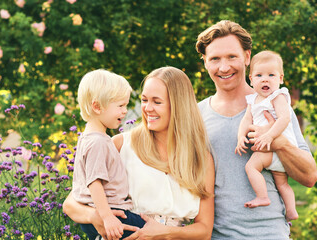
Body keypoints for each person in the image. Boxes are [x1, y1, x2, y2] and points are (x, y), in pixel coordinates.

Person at [196, 20, 317, 239]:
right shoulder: (196, 115)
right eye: (215, 59)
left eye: (232, 57)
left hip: (271, 233)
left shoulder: (273, 105)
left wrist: (277, 140)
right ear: (205, 61)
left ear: (247, 57)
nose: (224, 67)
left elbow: (310, 176)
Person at [63, 66, 215, 240]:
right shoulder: (120, 144)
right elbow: (71, 203)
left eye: (157, 102)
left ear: (179, 106)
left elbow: (204, 230)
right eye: (144, 100)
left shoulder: (201, 159)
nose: (147, 108)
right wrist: (96, 216)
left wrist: (165, 233)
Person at [72, 69, 145, 240]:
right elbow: (94, 182)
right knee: (154, 233)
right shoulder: (97, 142)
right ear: (97, 106)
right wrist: (107, 218)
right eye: (120, 106)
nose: (125, 111)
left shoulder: (89, 138)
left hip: (104, 213)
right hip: (112, 213)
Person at [235, 50, 298, 221]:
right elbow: (246, 120)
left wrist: (270, 136)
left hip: (276, 148)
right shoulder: (253, 100)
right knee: (282, 184)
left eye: (271, 75)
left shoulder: (278, 96)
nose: (265, 79)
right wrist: (241, 137)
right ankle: (291, 211)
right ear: (251, 79)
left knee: (251, 167)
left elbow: (285, 118)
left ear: (280, 79)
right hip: (271, 152)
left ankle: (262, 196)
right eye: (259, 75)